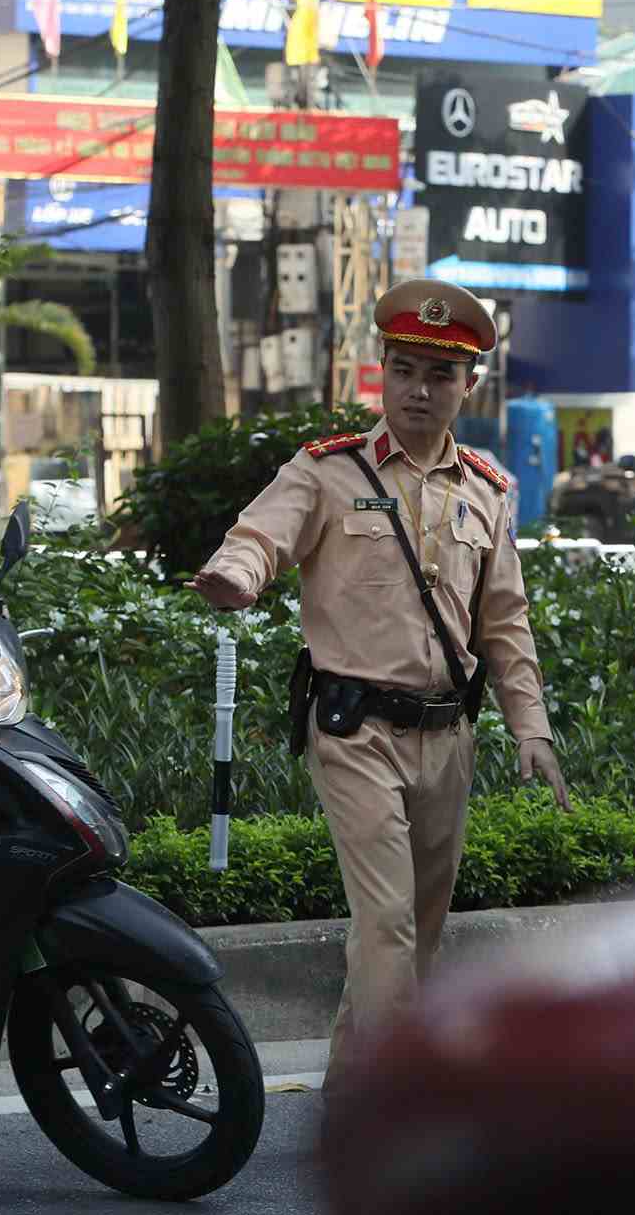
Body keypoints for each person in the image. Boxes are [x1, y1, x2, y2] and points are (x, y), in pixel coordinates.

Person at [190, 279, 569, 1084]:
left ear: (468, 385)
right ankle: (400, 1104)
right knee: (389, 921)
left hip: (447, 736)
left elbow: (505, 623)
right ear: (383, 374)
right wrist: (236, 573)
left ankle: (351, 1094)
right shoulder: (327, 471)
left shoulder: (487, 491)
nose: (418, 390)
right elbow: (260, 536)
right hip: (354, 730)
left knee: (413, 932)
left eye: (439, 375)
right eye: (403, 371)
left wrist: (530, 728)